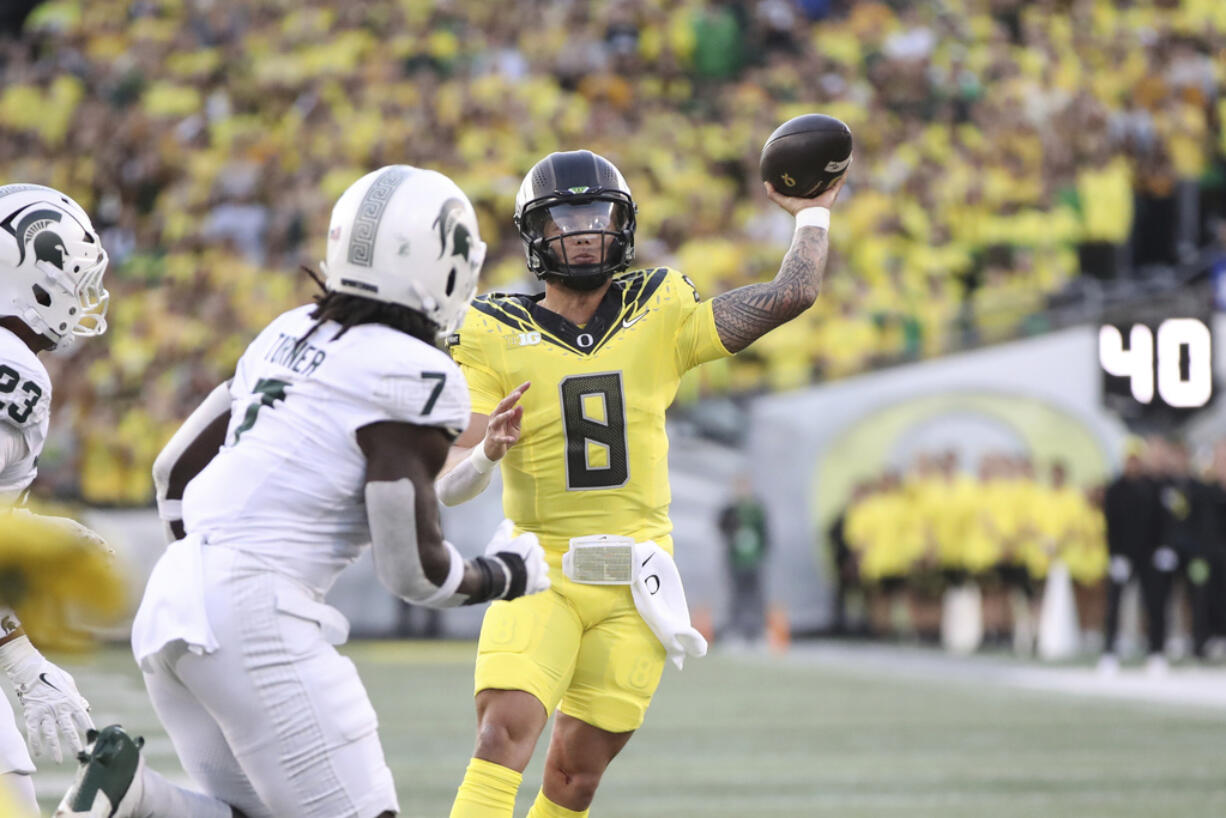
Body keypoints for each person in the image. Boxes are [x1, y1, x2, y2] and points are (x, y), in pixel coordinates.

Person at [56, 166, 551, 818]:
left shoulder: (288, 331)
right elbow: (412, 571)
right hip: (258, 610)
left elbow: (172, 472)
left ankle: (136, 797)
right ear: (445, 268)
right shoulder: (420, 374)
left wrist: (214, 573)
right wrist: (505, 575)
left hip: (173, 598)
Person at [443, 149, 845, 818]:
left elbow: (792, 294)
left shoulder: (659, 305)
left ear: (622, 224)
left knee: (575, 780)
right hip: (539, 564)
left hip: (635, 579)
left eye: (596, 216)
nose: (582, 233)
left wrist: (812, 218)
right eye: (565, 219)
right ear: (536, 234)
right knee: (501, 733)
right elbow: (453, 480)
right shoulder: (492, 329)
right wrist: (488, 453)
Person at [0, 183, 111, 815]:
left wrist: (33, 533)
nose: (83, 297)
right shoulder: (12, 370)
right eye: (74, 278)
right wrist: (20, 661)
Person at [1098, 441, 1163, 674]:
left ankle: (1156, 652)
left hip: (1148, 555)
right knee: (1114, 605)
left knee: (1154, 605)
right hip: (1123, 556)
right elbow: (1110, 525)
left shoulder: (1152, 487)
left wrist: (1161, 548)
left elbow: (1160, 522)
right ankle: (1109, 651)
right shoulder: (1115, 489)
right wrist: (1115, 555)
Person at [717, 474, 770, 646]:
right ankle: (736, 631)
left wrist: (763, 552)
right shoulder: (731, 509)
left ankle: (756, 633)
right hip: (735, 560)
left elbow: (765, 533)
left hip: (753, 560)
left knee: (755, 596)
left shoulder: (757, 509)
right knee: (736, 596)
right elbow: (722, 528)